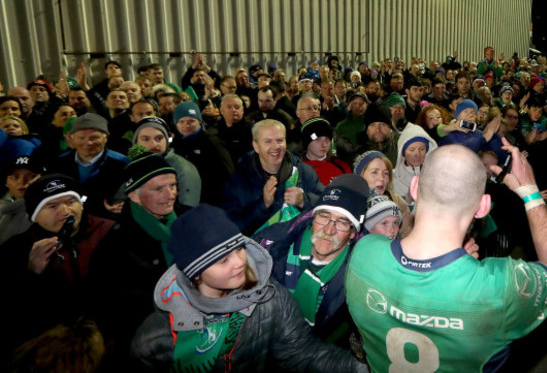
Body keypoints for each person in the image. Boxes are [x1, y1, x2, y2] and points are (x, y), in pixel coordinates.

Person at [345, 140, 547, 372]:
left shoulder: (363, 252)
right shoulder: (498, 288)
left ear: (414, 188)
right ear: (483, 207)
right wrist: (529, 191)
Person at [132, 204, 364, 372]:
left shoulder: (270, 299)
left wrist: (367, 368)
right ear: (197, 274)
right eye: (224, 261)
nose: (240, 262)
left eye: (239, 249)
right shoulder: (154, 339)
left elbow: (304, 353)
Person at [0, 174, 115, 358]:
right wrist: (31, 274)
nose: (65, 211)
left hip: (106, 343)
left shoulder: (110, 232)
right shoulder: (17, 248)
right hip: (49, 349)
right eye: (52, 206)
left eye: (71, 201)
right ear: (35, 216)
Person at [253, 174, 369, 346]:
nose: (329, 230)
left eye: (342, 222)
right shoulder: (272, 247)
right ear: (312, 217)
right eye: (323, 216)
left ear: (353, 233)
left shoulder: (357, 279)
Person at [89, 148, 180, 365]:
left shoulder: (188, 221)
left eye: (173, 185)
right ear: (134, 195)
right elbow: (113, 314)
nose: (171, 195)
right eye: (159, 189)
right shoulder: (113, 248)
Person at [170, 101, 234, 206]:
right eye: (181, 122)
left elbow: (228, 172)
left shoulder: (211, 142)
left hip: (211, 202)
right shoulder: (176, 144)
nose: (186, 125)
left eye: (191, 121)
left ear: (199, 121)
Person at [133, 116, 202, 208]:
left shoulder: (183, 169)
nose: (153, 144)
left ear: (167, 141)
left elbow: (187, 211)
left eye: (159, 138)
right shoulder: (133, 164)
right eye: (146, 139)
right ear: (136, 143)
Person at [352, 150, 414, 238]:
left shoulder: (397, 202)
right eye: (374, 172)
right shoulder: (349, 202)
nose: (381, 178)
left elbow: (409, 236)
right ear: (360, 175)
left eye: (386, 173)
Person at [392, 122, 437, 201]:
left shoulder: (435, 176)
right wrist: (409, 202)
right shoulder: (392, 179)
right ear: (403, 152)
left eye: (422, 149)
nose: (417, 154)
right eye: (412, 149)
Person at [300, 117, 351, 185]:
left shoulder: (342, 166)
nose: (324, 145)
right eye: (317, 139)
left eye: (327, 139)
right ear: (307, 142)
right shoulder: (294, 168)